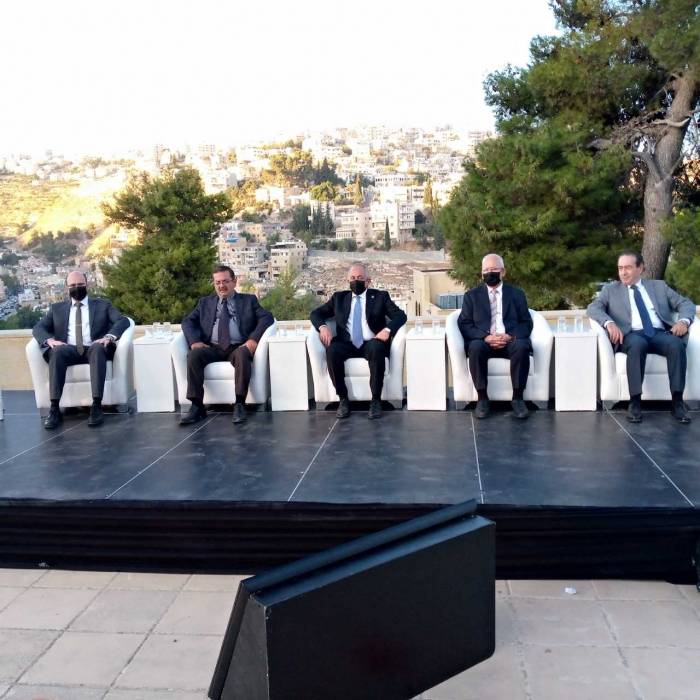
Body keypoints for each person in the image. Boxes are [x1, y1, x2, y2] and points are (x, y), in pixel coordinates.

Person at [587, 251, 695, 424]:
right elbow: (593, 308)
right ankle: (635, 402)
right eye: (620, 268)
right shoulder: (610, 290)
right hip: (631, 335)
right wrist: (609, 323)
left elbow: (685, 303)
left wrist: (683, 321)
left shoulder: (659, 286)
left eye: (628, 268)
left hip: (659, 333)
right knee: (637, 345)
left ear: (640, 268)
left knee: (676, 344)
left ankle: (677, 402)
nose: (623, 272)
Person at [32, 270, 130, 429]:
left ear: (87, 285)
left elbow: (123, 321)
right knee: (56, 352)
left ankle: (96, 405)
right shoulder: (56, 309)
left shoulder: (103, 305)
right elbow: (38, 328)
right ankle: (54, 408)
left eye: (80, 284)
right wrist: (49, 340)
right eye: (72, 285)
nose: (76, 288)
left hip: (93, 347)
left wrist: (109, 337)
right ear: (66, 287)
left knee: (97, 348)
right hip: (68, 349)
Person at [310, 263, 407, 419]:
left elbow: (400, 316)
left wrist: (387, 330)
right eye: (353, 278)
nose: (356, 281)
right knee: (332, 350)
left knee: (376, 348)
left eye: (360, 278)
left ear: (368, 281)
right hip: (346, 343)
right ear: (348, 280)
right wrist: (322, 327)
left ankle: (376, 400)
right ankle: (343, 399)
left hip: (371, 342)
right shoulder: (338, 298)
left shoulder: (381, 297)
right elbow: (315, 313)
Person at [180, 264, 273, 425]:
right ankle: (197, 406)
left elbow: (267, 317)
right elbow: (188, 322)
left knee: (243, 354)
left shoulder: (248, 300)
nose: (221, 286)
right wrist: (195, 341)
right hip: (212, 348)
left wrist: (253, 340)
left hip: (237, 346)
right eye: (218, 282)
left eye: (225, 281)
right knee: (194, 355)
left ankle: (239, 404)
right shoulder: (205, 303)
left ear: (234, 281)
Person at [457, 253, 533, 419]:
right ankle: (482, 398)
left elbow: (526, 323)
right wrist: (485, 337)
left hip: (509, 340)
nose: (489, 273)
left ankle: (518, 398)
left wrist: (509, 336)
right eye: (486, 270)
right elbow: (465, 324)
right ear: (481, 273)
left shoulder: (517, 294)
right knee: (475, 347)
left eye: (493, 269)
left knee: (521, 346)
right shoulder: (471, 296)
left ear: (503, 272)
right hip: (484, 341)